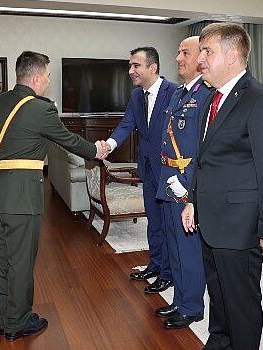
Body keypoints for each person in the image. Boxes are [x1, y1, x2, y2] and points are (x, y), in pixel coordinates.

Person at [0, 51, 107, 342]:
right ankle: (18, 323)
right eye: (48, 76)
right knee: (21, 261)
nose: (49, 81)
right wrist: (96, 151)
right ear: (36, 78)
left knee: (1, 261)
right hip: (21, 199)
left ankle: (6, 318)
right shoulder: (41, 109)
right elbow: (69, 140)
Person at [181, 23, 263, 349]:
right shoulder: (212, 98)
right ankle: (218, 344)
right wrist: (193, 201)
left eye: (207, 51)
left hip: (239, 226)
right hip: (211, 220)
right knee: (219, 293)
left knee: (240, 303)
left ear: (231, 56)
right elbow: (204, 159)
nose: (201, 59)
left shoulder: (262, 101)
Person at [103, 47, 179, 293]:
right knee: (153, 222)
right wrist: (109, 145)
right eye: (130, 65)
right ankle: (155, 265)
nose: (130, 70)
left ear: (152, 68)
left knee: (169, 224)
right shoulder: (137, 96)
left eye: (136, 65)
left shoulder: (176, 92)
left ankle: (168, 274)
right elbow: (127, 124)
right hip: (147, 169)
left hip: (169, 173)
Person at [154, 36, 212, 329]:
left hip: (187, 182)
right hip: (168, 179)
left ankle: (192, 306)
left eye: (184, 53)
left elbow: (204, 148)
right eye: (177, 52)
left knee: (189, 249)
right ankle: (179, 298)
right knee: (174, 244)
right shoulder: (178, 94)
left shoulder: (207, 95)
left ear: (201, 58)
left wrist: (191, 189)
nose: (178, 58)